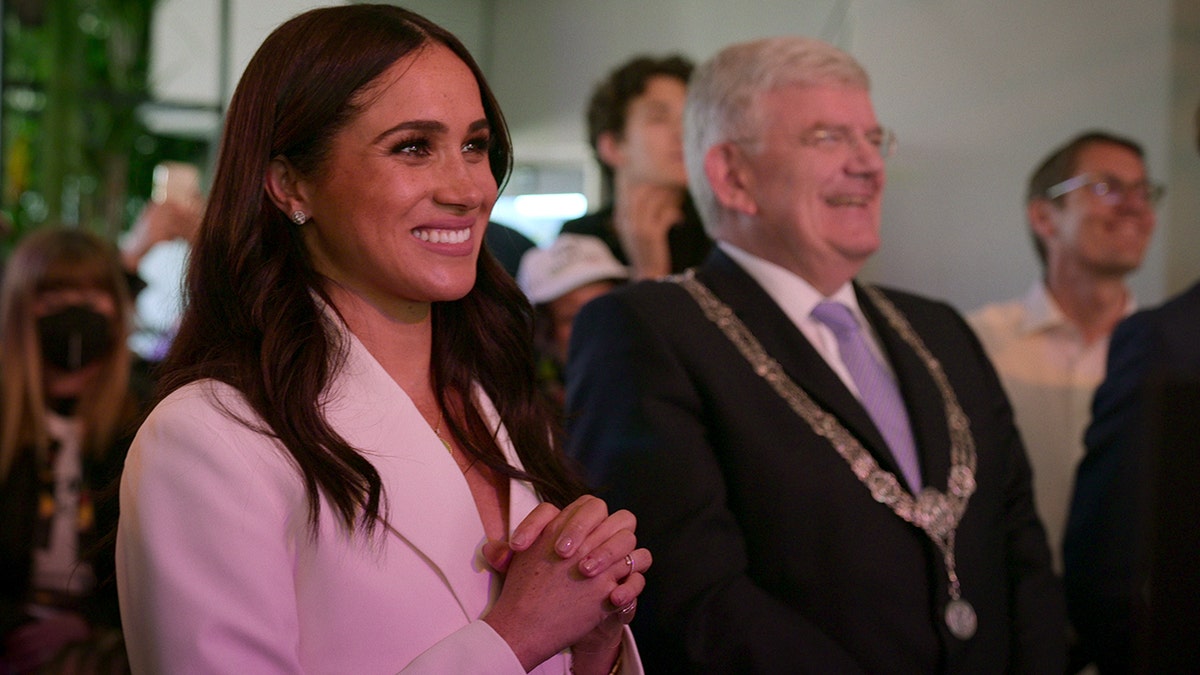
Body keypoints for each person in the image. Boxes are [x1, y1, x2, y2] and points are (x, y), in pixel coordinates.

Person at [115, 6, 648, 674]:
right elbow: (517, 639)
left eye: (475, 146)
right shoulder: (211, 437)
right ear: (290, 184)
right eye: (413, 147)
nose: (468, 188)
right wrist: (517, 636)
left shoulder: (493, 399)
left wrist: (593, 644)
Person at [566, 36, 1065, 673]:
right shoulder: (648, 332)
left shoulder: (939, 329)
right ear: (733, 176)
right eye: (828, 138)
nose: (869, 165)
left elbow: (1020, 544)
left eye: (874, 139)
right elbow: (691, 597)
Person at [968, 131, 1160, 569]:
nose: (1135, 207)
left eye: (1143, 192)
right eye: (1107, 188)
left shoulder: (1169, 353)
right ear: (1044, 217)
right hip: (1009, 595)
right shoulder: (980, 345)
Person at [1, 228, 144, 673]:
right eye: (55, 295)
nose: (76, 311)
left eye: (92, 295)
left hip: (107, 639)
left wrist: (90, 624)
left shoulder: (147, 419)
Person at [560, 54, 712, 280]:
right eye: (659, 118)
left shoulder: (719, 234)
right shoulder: (579, 240)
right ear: (612, 147)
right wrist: (649, 271)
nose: (683, 133)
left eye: (689, 118)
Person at [516, 233, 629, 408]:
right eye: (573, 317)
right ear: (542, 332)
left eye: (605, 310)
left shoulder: (654, 382)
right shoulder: (522, 409)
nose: (596, 327)